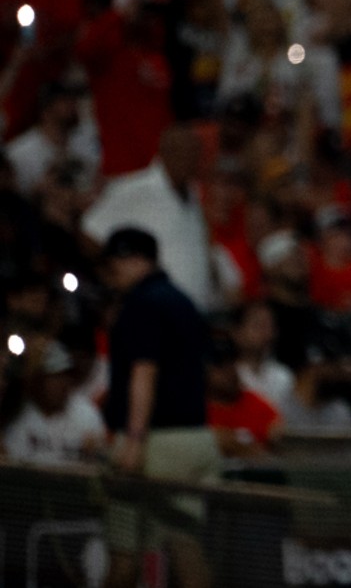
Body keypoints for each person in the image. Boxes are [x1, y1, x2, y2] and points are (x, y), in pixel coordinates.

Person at [99, 227, 217, 588]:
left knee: (123, 558)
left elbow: (144, 373)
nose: (110, 273)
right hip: (196, 441)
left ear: (136, 259)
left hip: (155, 443)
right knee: (186, 548)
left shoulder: (142, 303)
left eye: (114, 263)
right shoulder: (182, 301)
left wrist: (133, 443)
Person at [83, 125, 242, 314]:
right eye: (186, 154)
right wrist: (117, 280)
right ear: (166, 153)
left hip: (194, 313)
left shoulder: (193, 194)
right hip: (152, 311)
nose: (193, 161)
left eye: (196, 154)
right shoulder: (136, 188)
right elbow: (89, 233)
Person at [2, 341, 107, 465]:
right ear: (38, 380)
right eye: (54, 376)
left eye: (65, 375)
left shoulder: (86, 414)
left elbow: (101, 462)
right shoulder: (16, 413)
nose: (61, 383)